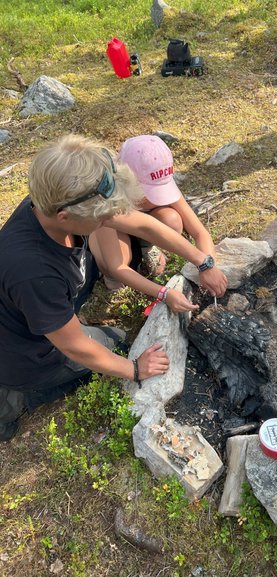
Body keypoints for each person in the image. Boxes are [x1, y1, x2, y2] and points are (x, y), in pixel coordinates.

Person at [0, 134, 227, 441]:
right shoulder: (34, 272)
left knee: (109, 340)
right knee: (117, 346)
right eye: (103, 217)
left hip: (35, 316)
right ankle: (15, 398)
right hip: (28, 353)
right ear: (65, 216)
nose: (111, 219)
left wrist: (203, 262)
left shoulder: (51, 203)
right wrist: (135, 369)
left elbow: (144, 225)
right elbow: (75, 346)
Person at [90, 134, 222, 312]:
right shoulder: (105, 199)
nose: (155, 199)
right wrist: (163, 293)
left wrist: (209, 267)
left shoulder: (154, 174)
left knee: (172, 219)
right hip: (110, 233)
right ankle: (110, 277)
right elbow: (117, 266)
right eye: (149, 192)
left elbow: (199, 232)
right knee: (117, 261)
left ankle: (147, 247)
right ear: (126, 178)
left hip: (143, 229)